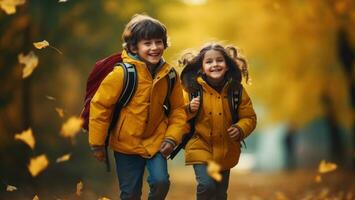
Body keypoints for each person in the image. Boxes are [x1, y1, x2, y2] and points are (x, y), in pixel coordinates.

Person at [88, 14, 187, 200]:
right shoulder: (121, 74)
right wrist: (97, 143)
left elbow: (178, 110)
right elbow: (101, 107)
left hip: (156, 141)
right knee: (130, 193)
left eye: (159, 42)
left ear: (165, 44)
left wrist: (172, 138)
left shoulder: (170, 75)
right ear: (134, 47)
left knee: (161, 182)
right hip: (126, 144)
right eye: (147, 43)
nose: (154, 48)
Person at [179, 43, 257, 200]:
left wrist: (240, 128)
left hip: (226, 148)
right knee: (206, 186)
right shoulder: (192, 90)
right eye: (209, 62)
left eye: (219, 60)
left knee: (220, 194)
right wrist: (188, 109)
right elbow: (176, 116)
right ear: (201, 68)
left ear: (227, 66)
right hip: (199, 145)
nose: (215, 64)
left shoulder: (236, 91)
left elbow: (249, 117)